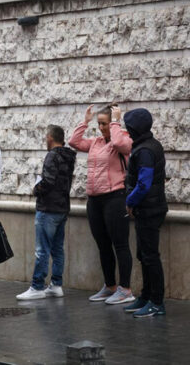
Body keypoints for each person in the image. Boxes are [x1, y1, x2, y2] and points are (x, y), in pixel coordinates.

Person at [68, 104, 134, 304]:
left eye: (104, 123)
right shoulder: (95, 142)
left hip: (115, 197)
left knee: (120, 244)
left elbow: (122, 145)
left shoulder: (121, 139)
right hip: (95, 199)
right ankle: (110, 286)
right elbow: (74, 142)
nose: (101, 128)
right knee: (103, 245)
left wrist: (115, 122)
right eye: (100, 124)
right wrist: (85, 122)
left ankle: (125, 289)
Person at [16, 125, 76, 300]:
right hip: (62, 208)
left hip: (48, 208)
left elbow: (48, 181)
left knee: (42, 250)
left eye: (46, 136)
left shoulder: (52, 156)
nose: (45, 139)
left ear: (50, 137)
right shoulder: (69, 156)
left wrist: (36, 189)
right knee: (57, 249)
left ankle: (37, 286)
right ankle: (56, 285)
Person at [122, 109, 168, 318]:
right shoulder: (146, 146)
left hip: (149, 210)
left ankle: (156, 302)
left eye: (129, 127)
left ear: (135, 128)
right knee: (143, 254)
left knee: (150, 256)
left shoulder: (146, 151)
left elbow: (144, 184)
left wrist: (130, 202)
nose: (127, 131)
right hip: (147, 209)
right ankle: (146, 296)